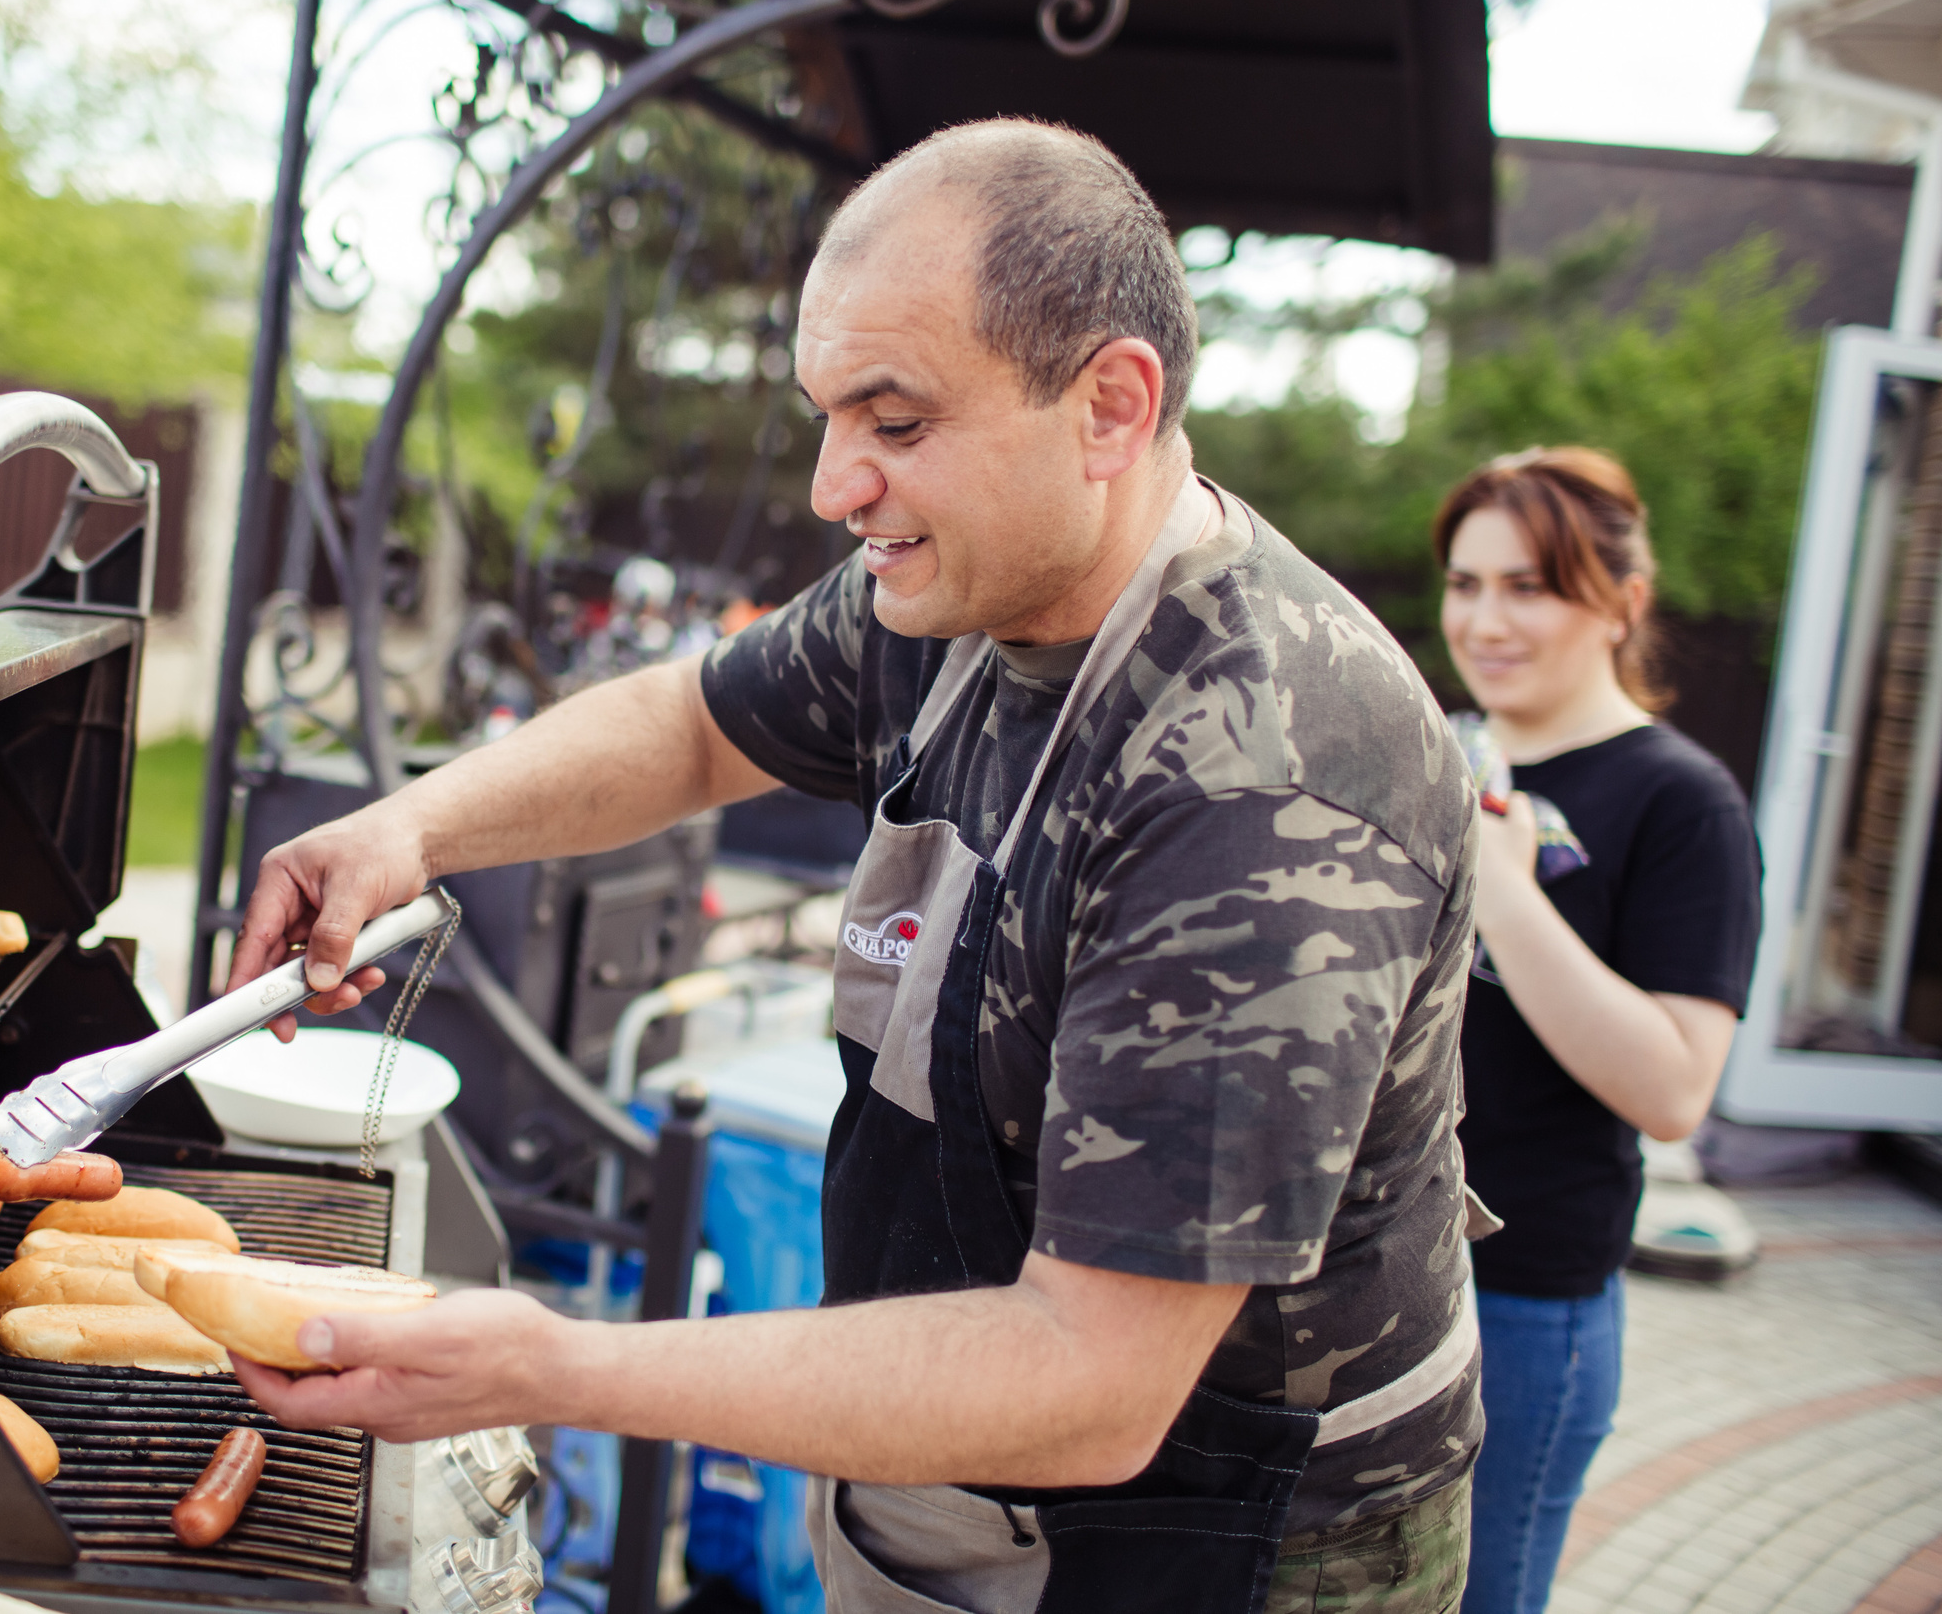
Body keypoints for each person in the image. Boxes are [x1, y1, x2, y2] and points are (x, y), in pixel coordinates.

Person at [230, 119, 1485, 1614]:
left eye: (894, 422)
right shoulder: (955, 587)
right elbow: (690, 724)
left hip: (1216, 1533)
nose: (836, 485)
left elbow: (1092, 1377)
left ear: (1109, 404)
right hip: (949, 1458)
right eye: (829, 416)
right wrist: (414, 824)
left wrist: (563, 1364)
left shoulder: (1264, 783)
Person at [1434, 449, 1762, 1614]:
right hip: (1377, 1283)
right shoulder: (1443, 754)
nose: (1485, 619)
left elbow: (1675, 1088)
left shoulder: (1683, 802)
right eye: (1466, 584)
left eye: (1528, 586)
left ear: (1622, 601)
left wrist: (1507, 892)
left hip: (1523, 1307)